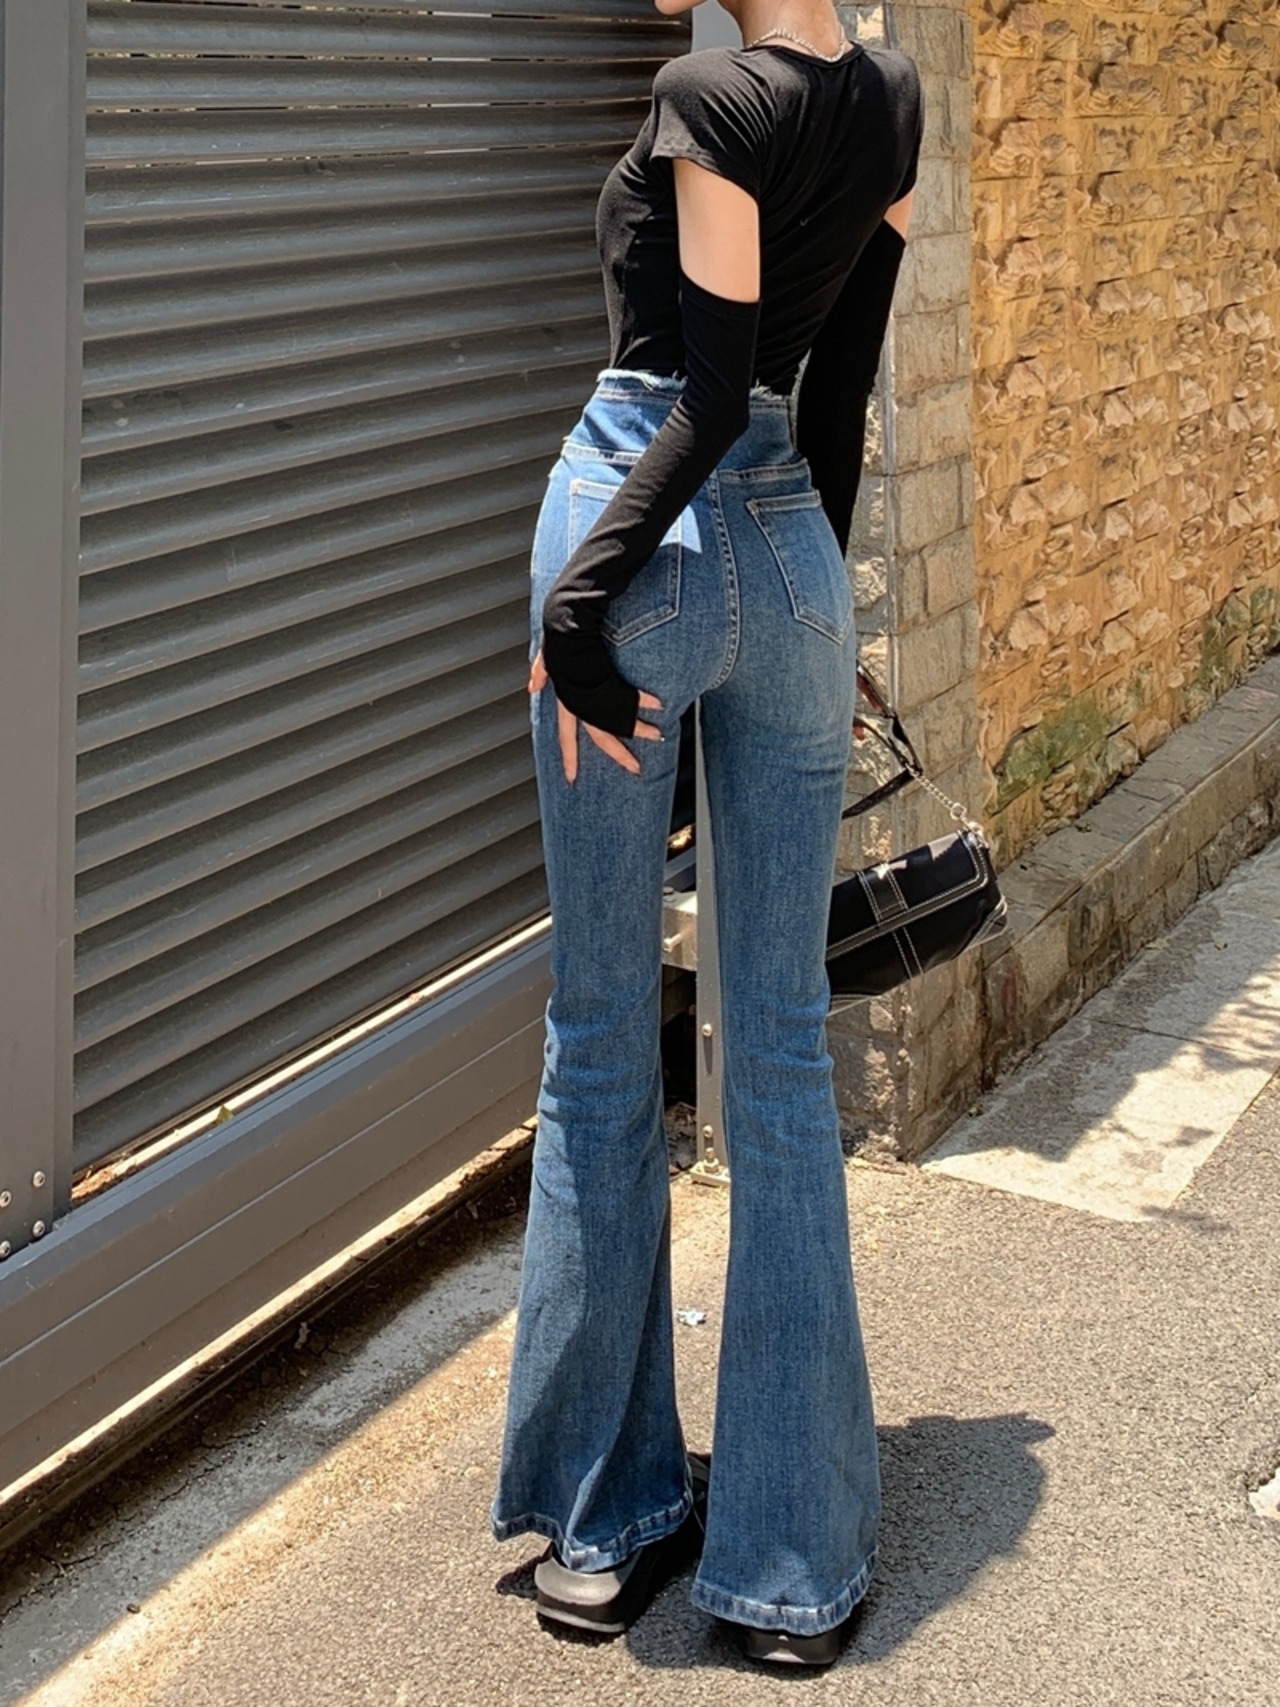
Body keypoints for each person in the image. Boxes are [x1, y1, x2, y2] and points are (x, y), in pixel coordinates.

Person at [490, 0, 922, 1670]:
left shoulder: (709, 98)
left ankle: (609, 1525)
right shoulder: (888, 97)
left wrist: (582, 609)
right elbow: (835, 381)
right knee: (786, 1055)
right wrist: (817, 596)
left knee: (604, 1041)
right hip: (791, 557)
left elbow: (707, 382)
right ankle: (796, 1562)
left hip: (640, 535)